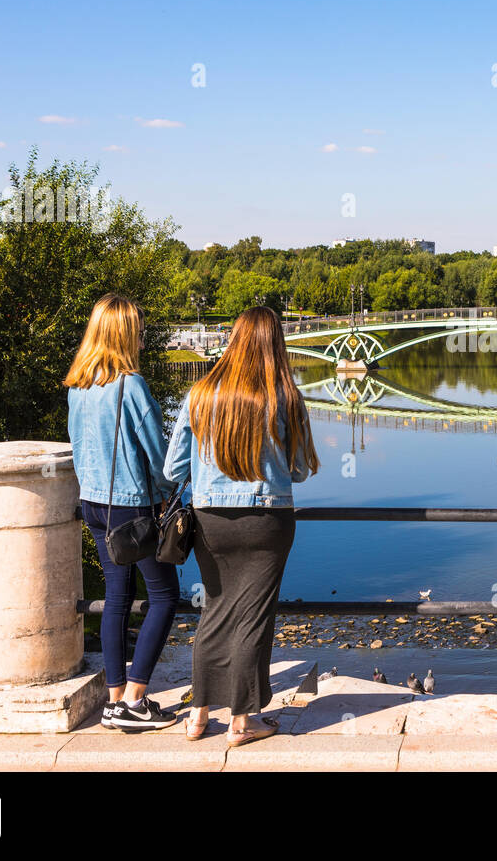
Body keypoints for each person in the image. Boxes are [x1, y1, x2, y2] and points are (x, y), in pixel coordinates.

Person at [165, 307, 320, 747]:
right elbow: (300, 470)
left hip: (209, 520)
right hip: (267, 521)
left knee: (214, 610)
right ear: (276, 344)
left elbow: (172, 468)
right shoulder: (285, 396)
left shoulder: (200, 394)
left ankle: (197, 716)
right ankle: (242, 722)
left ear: (233, 340)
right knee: (253, 618)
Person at [65, 294, 179, 731]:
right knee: (164, 597)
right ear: (125, 335)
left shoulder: (79, 386)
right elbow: (157, 453)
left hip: (94, 504)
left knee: (116, 598)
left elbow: (78, 447)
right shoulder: (131, 386)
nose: (144, 340)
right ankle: (135, 700)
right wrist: (168, 492)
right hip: (132, 507)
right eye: (140, 332)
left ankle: (114, 702)